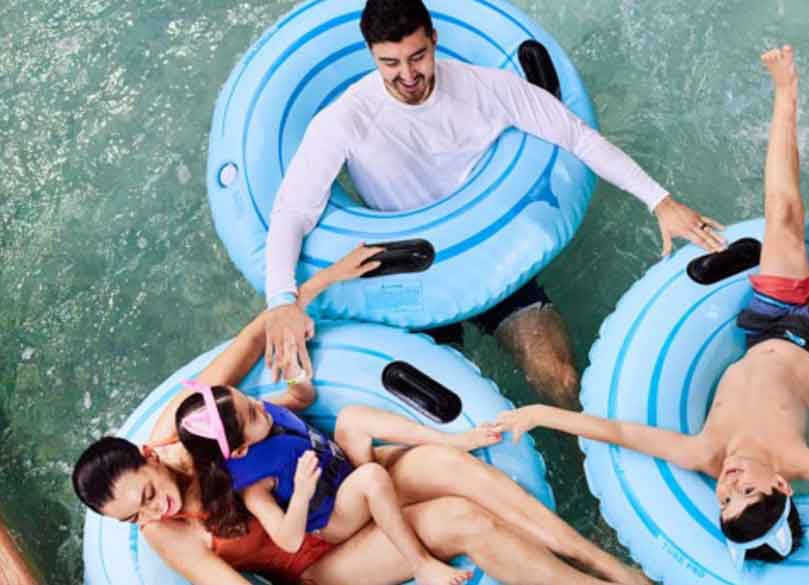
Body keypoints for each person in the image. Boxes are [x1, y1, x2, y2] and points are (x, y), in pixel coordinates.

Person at [493, 46, 809, 568]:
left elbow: (622, 432)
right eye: (746, 493)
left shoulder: (706, 451)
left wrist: (541, 413)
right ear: (781, 484)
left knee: (781, 215)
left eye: (722, 499)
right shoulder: (799, 460)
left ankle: (786, 91)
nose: (729, 485)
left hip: (766, 327)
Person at [73, 247, 651, 585]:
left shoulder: (187, 424)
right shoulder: (169, 534)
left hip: (337, 488)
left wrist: (290, 307)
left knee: (449, 469)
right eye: (134, 518)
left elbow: (252, 344)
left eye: (145, 494)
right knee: (457, 518)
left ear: (150, 457)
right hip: (319, 561)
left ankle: (612, 568)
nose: (155, 511)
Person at [263, 0, 727, 409]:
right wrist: (282, 299)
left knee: (559, 378)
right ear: (371, 56)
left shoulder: (487, 87)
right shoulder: (344, 119)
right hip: (409, 278)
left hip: (489, 256)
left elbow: (576, 136)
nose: (407, 75)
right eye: (390, 62)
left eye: (418, 56)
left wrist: (660, 200)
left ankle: (586, 457)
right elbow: (292, 212)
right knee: (442, 408)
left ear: (434, 40)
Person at [173, 379, 498, 585]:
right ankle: (421, 564)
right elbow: (288, 540)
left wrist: (298, 385)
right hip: (335, 519)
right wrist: (300, 493)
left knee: (352, 417)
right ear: (241, 448)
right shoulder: (253, 487)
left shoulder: (261, 416)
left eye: (248, 399)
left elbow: (301, 400)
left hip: (340, 473)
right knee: (371, 478)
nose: (259, 405)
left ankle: (451, 440)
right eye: (253, 415)